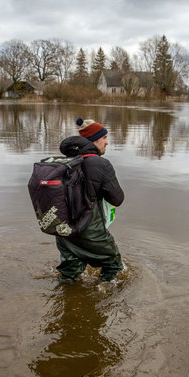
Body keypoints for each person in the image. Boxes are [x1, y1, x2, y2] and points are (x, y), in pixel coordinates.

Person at [55, 117, 125, 282]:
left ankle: (67, 302)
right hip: (90, 231)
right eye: (104, 138)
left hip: (63, 232)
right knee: (114, 267)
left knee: (68, 275)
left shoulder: (65, 162)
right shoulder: (101, 164)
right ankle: (105, 301)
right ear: (94, 141)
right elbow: (117, 199)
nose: (107, 143)